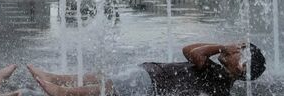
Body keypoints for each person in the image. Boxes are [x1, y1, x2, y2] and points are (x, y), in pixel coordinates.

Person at [28, 42, 266, 96]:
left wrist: (221, 46)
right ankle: (57, 78)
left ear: (241, 68)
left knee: (108, 86)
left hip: (153, 82)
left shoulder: (217, 76)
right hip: (152, 77)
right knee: (103, 79)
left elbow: (191, 52)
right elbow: (189, 50)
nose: (234, 49)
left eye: (239, 52)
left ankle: (63, 92)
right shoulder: (221, 78)